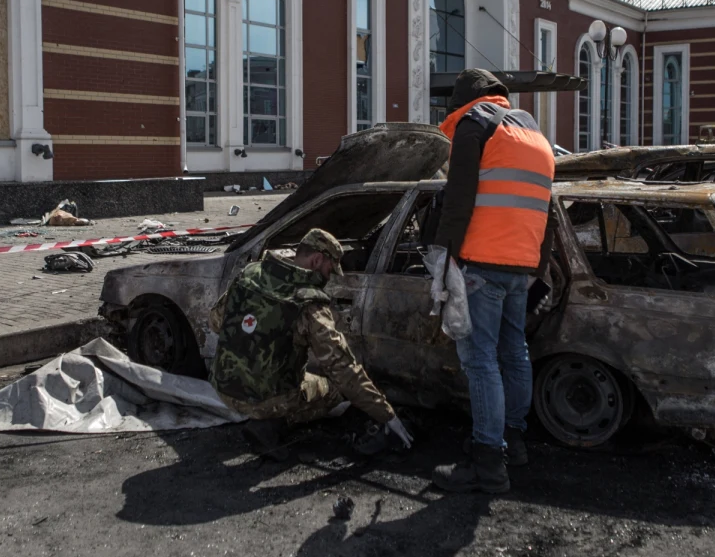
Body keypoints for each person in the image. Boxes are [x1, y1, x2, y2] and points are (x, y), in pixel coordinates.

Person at [431, 69, 555, 494]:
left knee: (480, 361)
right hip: (522, 263)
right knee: (514, 353)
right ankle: (513, 441)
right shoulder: (532, 132)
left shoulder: (474, 125)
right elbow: (548, 209)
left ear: (462, 101)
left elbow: (458, 197)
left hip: (481, 262)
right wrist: (539, 264)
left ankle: (488, 463)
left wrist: (444, 258)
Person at [209, 228, 412, 460]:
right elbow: (344, 370)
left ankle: (263, 411)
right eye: (329, 269)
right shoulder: (309, 303)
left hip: (222, 388)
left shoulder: (250, 274)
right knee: (334, 390)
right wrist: (387, 415)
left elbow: (215, 322)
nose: (329, 277)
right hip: (263, 400)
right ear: (317, 260)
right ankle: (269, 424)